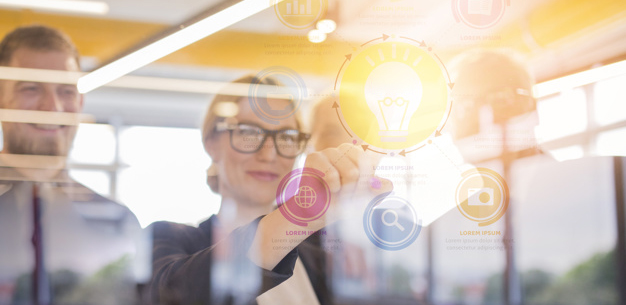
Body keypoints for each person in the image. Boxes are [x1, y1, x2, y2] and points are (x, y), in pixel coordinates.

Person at [144, 75, 392, 305]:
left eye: (286, 136)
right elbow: (171, 294)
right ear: (212, 143)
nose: (269, 153)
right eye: (248, 133)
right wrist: (301, 215)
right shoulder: (170, 239)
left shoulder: (318, 252)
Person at [0, 25, 147, 305]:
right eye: (31, 88)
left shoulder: (114, 221)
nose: (52, 106)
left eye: (66, 91)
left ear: (80, 102)